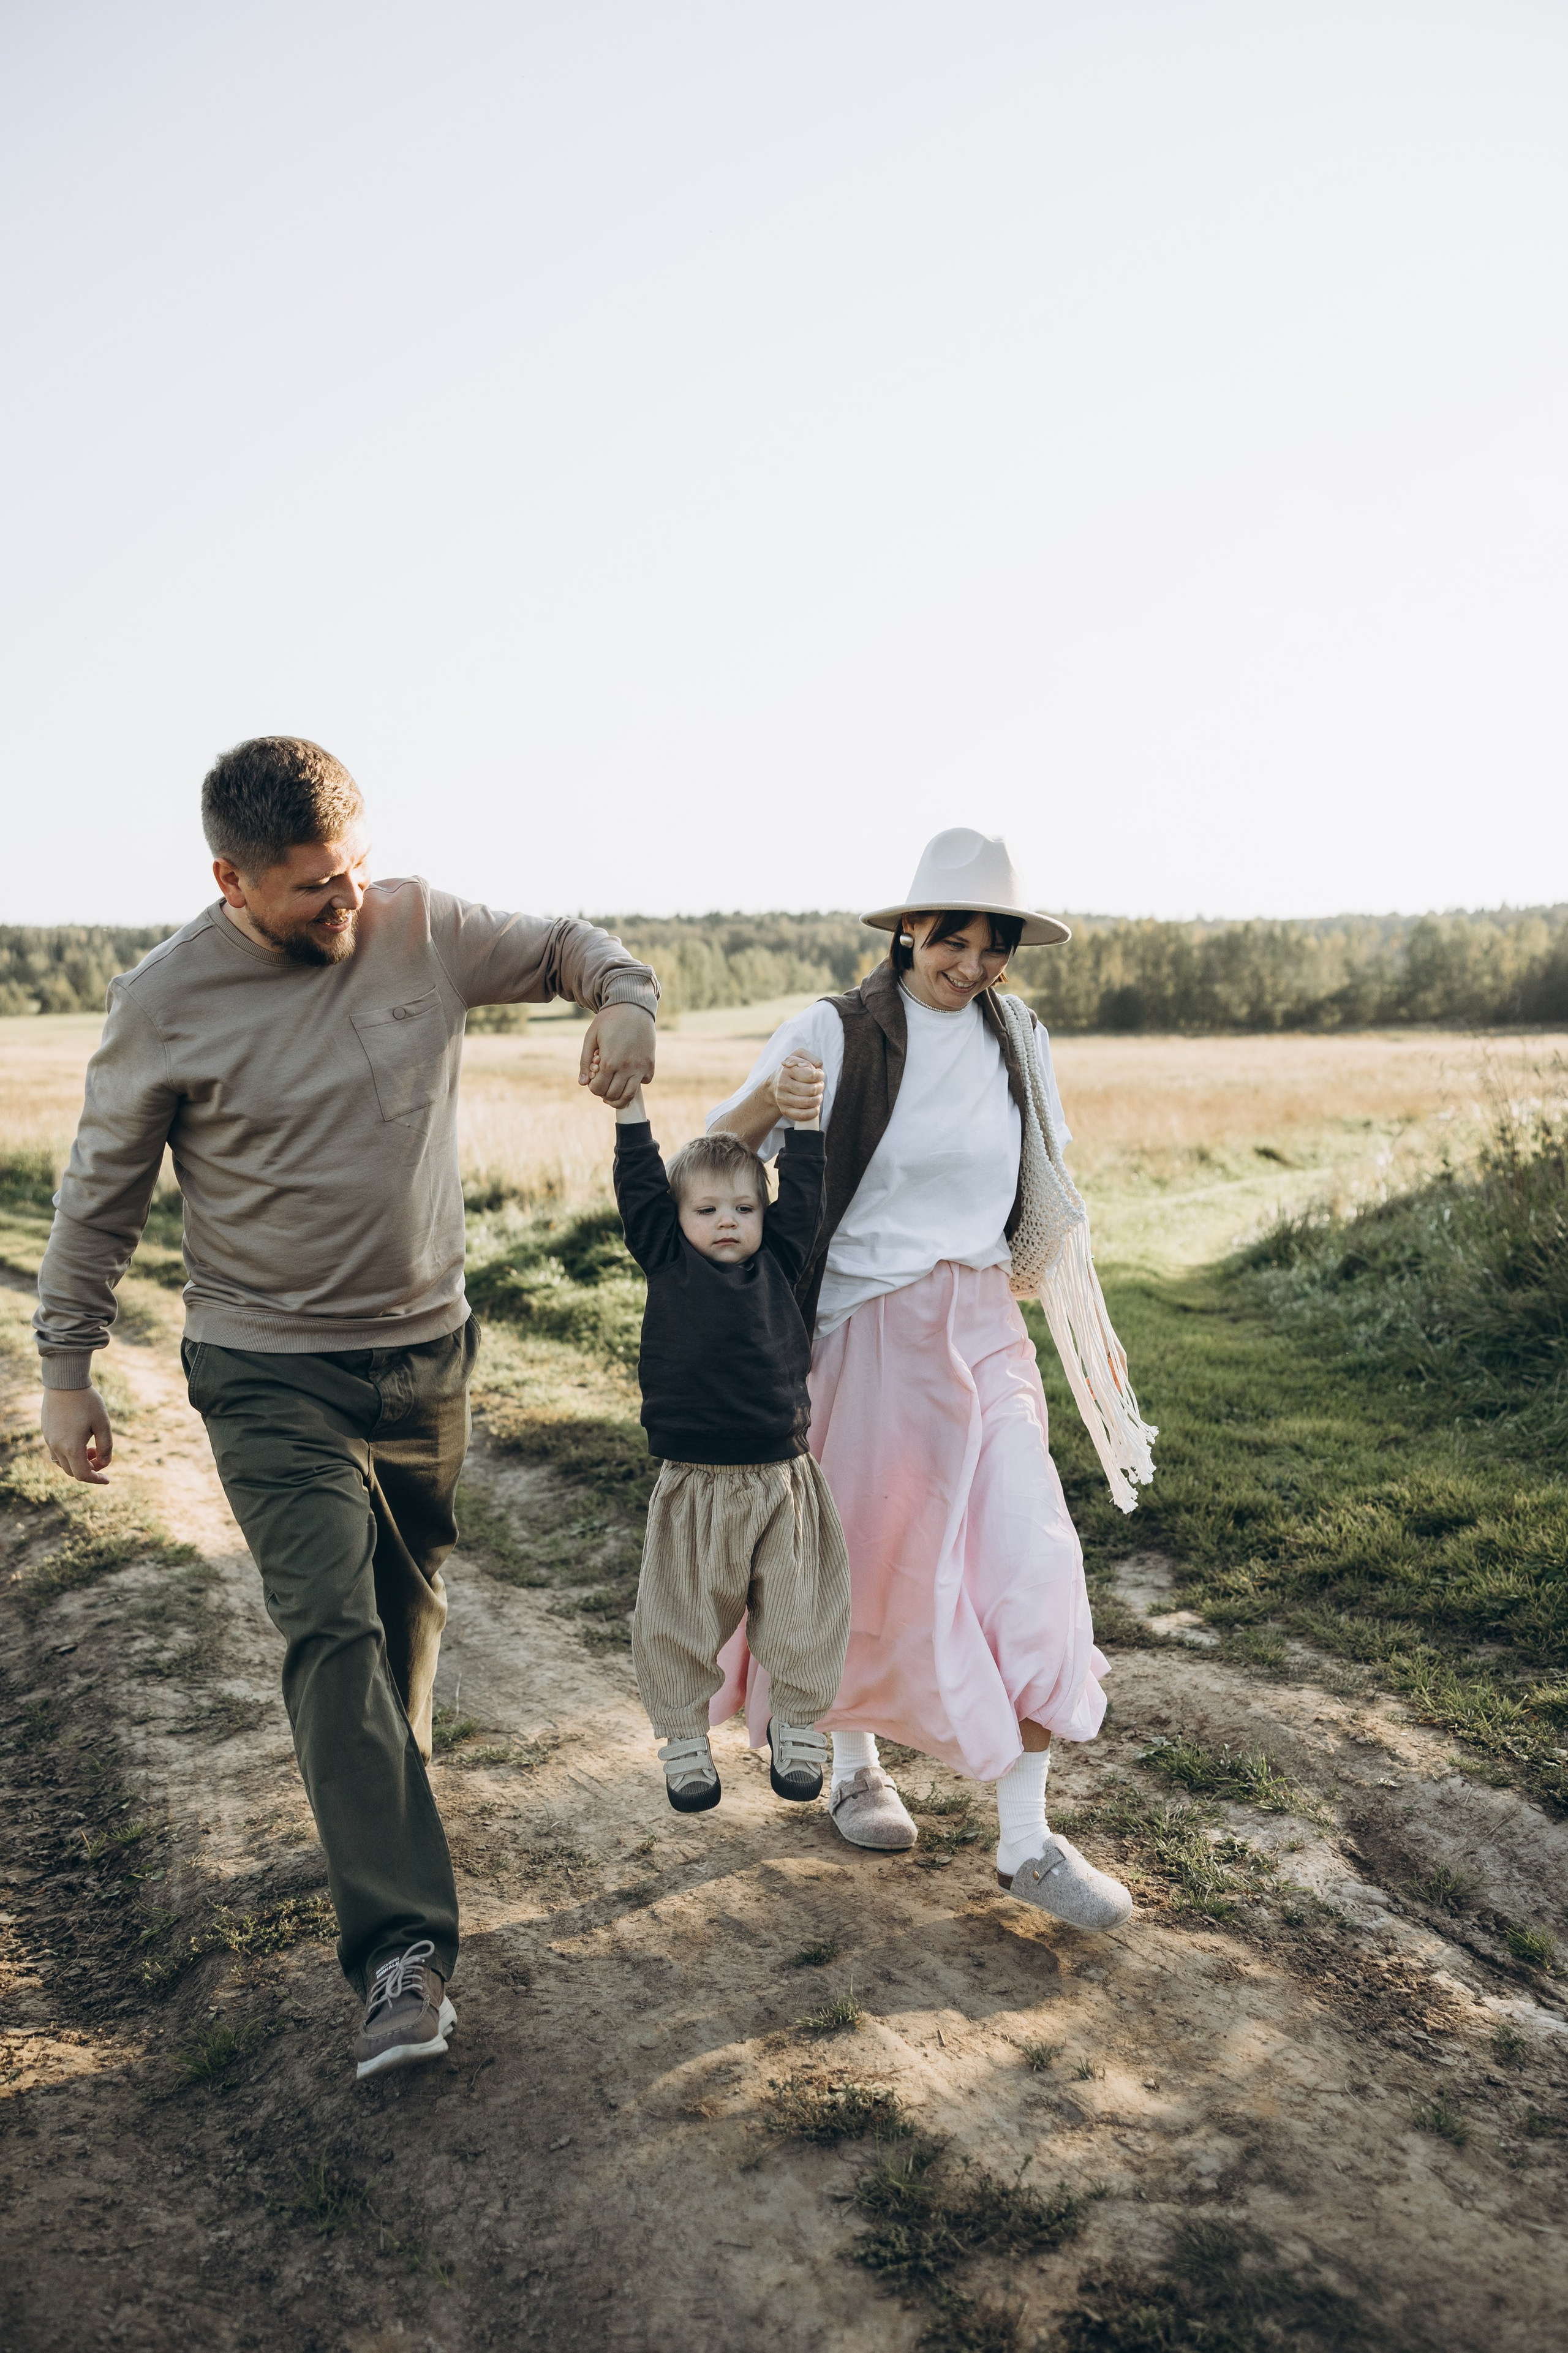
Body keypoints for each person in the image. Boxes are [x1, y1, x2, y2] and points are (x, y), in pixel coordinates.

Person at [34, 736, 660, 2077]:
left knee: (397, 1635)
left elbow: (568, 943)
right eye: (315, 887)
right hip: (265, 1372)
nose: (348, 903)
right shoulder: (163, 1002)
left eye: (356, 868)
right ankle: (399, 1957)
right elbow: (101, 1193)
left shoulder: (419, 926)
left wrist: (622, 1000)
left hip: (424, 1359)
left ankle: (380, 1813)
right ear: (232, 880)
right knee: (327, 1628)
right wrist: (66, 1366)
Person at [708, 828, 1147, 1933]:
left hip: (988, 1327)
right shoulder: (833, 1030)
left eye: (996, 943)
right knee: (866, 1566)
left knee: (1034, 1561)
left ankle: (1027, 1841)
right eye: (956, 938)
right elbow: (712, 1159)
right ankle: (856, 1766)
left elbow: (1042, 1182)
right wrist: (771, 1109)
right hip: (862, 1334)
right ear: (910, 928)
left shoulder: (1019, 1040)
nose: (975, 964)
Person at [607, 1056, 851, 1812]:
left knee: (803, 1605)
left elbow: (806, 1195)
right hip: (695, 1479)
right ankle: (683, 1738)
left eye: (744, 1209)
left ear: (763, 1217)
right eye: (708, 1209)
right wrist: (630, 1106)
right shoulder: (665, 1260)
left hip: (782, 1475)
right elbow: (640, 1183)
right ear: (678, 1220)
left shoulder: (781, 1260)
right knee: (677, 1612)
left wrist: (805, 1123)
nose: (726, 1222)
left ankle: (801, 1722)